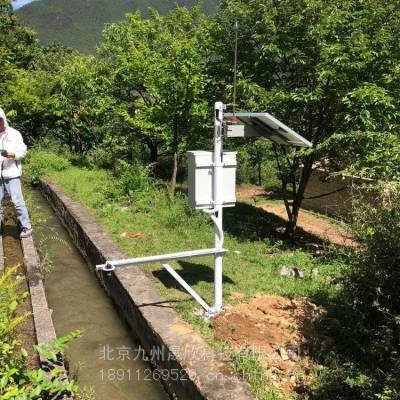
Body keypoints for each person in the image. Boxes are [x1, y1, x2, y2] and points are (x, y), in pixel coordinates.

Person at [0, 108, 32, 238]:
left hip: (12, 174)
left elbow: (23, 152)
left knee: (17, 201)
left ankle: (27, 227)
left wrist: (11, 154)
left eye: (0, 120)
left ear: (4, 119)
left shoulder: (14, 134)